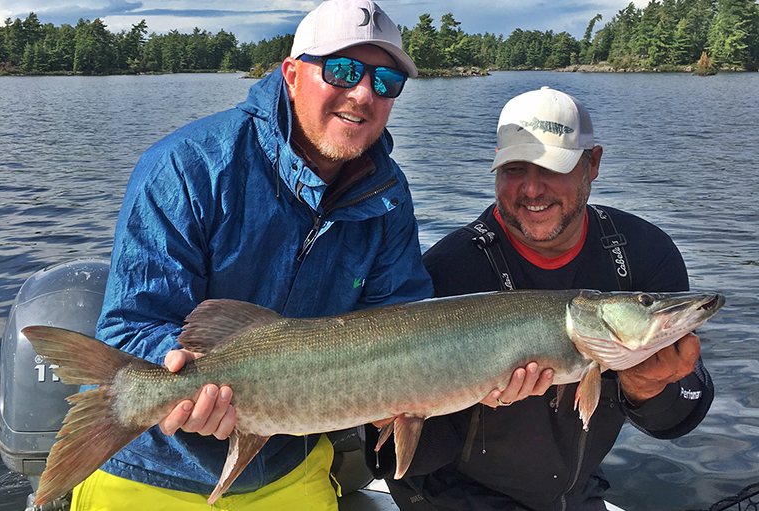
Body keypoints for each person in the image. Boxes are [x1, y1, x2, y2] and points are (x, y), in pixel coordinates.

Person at [77, 0, 433, 509]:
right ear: (291, 74)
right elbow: (129, 326)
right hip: (151, 464)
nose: (363, 93)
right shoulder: (188, 166)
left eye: (386, 81)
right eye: (343, 69)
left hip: (292, 462)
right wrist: (178, 371)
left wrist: (440, 385)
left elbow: (403, 326)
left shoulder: (389, 197)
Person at [367, 86, 714, 511]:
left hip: (577, 494)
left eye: (553, 167)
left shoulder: (643, 255)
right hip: (454, 499)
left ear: (593, 164)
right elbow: (407, 461)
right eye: (514, 168)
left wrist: (649, 390)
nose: (532, 189)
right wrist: (398, 404)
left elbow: (679, 416)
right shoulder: (449, 270)